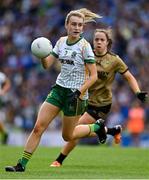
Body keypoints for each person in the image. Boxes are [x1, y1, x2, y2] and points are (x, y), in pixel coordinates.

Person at [5, 8, 105, 172]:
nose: (77, 28)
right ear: (66, 25)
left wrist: (79, 92)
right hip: (59, 89)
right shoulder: (60, 42)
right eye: (73, 24)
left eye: (80, 25)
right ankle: (21, 165)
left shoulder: (85, 47)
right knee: (38, 127)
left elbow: (93, 76)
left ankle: (97, 128)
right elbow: (47, 65)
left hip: (77, 95)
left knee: (67, 136)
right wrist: (42, 54)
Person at [50, 28, 148, 167]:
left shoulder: (114, 60)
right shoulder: (86, 55)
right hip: (83, 99)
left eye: (102, 40)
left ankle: (59, 160)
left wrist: (138, 92)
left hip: (100, 103)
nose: (99, 42)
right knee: (76, 132)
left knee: (76, 130)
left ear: (108, 42)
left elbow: (129, 77)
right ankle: (111, 131)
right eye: (96, 39)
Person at [0, 71, 11, 144]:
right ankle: (4, 133)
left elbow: (7, 82)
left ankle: (4, 133)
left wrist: (3, 91)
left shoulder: (0, 75)